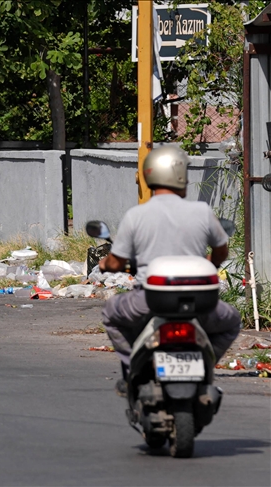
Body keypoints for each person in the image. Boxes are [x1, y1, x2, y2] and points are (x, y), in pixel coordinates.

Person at [97, 146, 241, 396]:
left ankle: (134, 369)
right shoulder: (202, 211)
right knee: (231, 320)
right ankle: (206, 365)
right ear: (181, 177)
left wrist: (104, 264)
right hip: (200, 304)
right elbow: (221, 252)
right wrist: (210, 263)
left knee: (110, 314)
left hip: (149, 302)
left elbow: (117, 262)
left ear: (150, 176)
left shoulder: (137, 215)